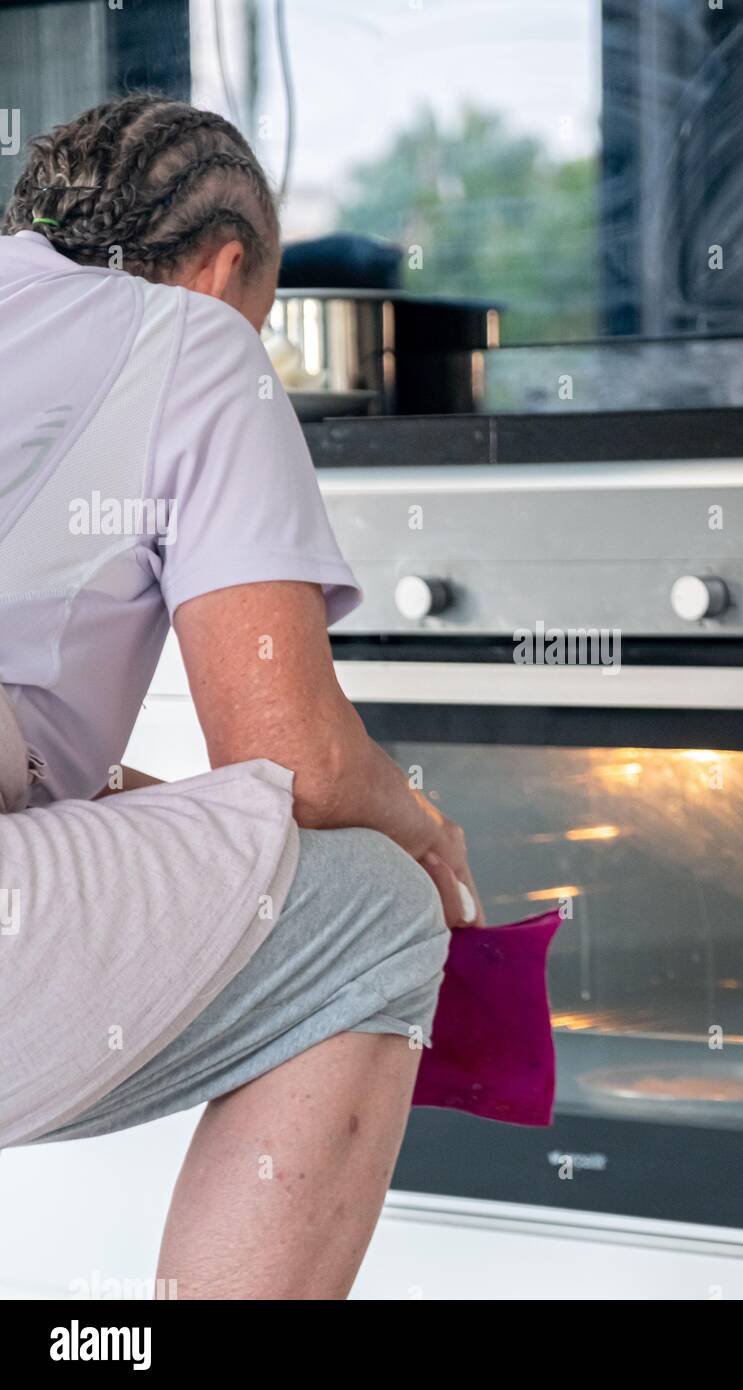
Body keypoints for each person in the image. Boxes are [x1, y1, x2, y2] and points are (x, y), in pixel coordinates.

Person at [0, 94, 482, 1299]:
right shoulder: (189, 333)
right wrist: (418, 831)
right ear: (223, 273)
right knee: (370, 912)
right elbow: (299, 763)